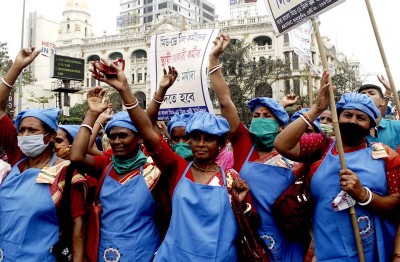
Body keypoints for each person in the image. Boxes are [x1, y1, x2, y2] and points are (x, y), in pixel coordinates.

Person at [90, 59, 251, 261]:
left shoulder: (231, 179)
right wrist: (125, 90)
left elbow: (252, 222)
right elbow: (147, 130)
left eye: (209, 139)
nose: (201, 144)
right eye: (196, 138)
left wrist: (242, 204)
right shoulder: (176, 169)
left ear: (220, 144)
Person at [274, 69, 400, 261]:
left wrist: (364, 196)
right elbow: (282, 144)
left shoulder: (384, 154)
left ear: (371, 125)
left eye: (361, 118)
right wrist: (316, 108)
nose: (353, 121)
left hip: (371, 249)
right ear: (337, 118)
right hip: (326, 248)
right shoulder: (322, 145)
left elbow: (396, 202)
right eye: (347, 115)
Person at [209, 33, 308, 261]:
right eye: (256, 115)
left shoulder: (298, 154)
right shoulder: (244, 145)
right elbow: (225, 101)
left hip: (290, 240)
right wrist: (214, 60)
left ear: (282, 126)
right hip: (250, 238)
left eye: (267, 116)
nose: (260, 119)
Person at [0, 48, 86, 261]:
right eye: (22, 130)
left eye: (33, 130)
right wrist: (17, 68)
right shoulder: (18, 158)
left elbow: (77, 230)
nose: (25, 135)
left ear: (49, 136)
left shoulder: (66, 174)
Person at [70, 88, 168, 261]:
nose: (116, 142)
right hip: (103, 250)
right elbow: (77, 156)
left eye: (123, 136)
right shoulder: (105, 166)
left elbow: (167, 216)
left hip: (143, 253)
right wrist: (92, 115)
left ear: (139, 138)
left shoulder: (154, 171)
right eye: (112, 136)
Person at [358, 77, 400, 150]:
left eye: (371, 93)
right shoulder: (352, 129)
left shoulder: (397, 127)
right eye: (363, 94)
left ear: (382, 101)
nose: (366, 95)